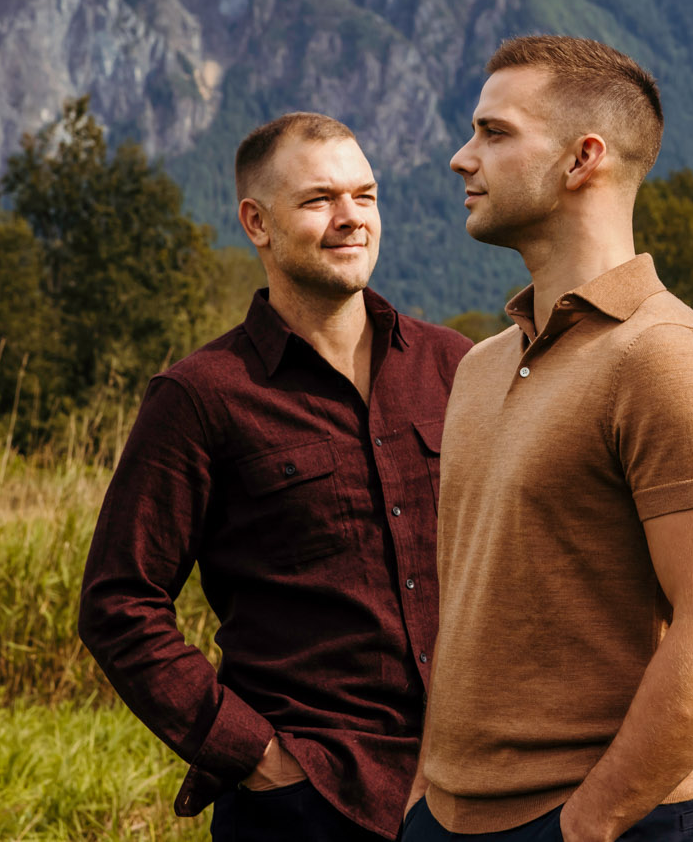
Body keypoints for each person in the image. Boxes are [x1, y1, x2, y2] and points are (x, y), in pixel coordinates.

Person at [405, 36, 693, 842]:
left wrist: (590, 825)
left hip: (593, 821)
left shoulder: (665, 358)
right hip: (443, 816)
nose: (462, 158)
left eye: (494, 133)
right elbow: (469, 603)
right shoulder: (480, 366)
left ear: (583, 159)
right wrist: (421, 799)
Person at [79, 112, 472, 842]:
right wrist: (254, 754)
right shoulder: (200, 397)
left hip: (470, 797)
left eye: (367, 195)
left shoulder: (455, 367)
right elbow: (118, 602)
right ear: (256, 223)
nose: (351, 218)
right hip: (309, 805)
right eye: (320, 199)